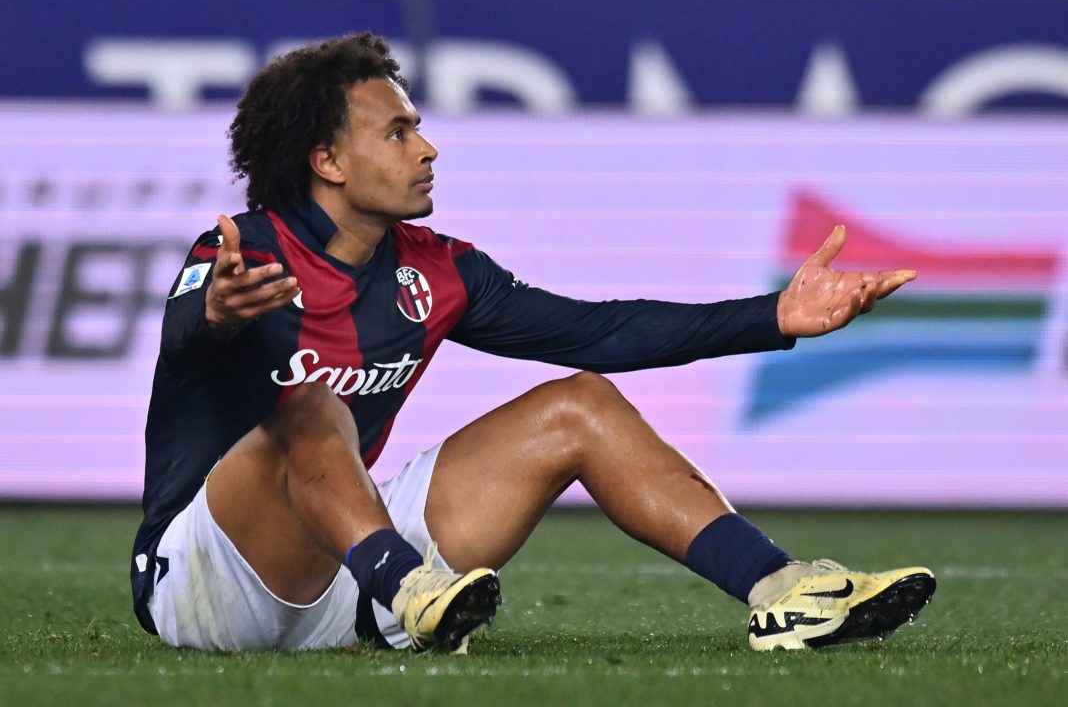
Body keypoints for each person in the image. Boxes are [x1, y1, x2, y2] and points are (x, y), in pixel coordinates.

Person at [131, 32, 935, 654]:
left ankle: (782, 589)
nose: (427, 147)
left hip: (347, 568)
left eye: (420, 128)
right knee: (311, 405)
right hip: (205, 578)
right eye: (399, 131)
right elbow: (181, 341)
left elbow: (601, 331)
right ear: (329, 160)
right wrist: (218, 316)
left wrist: (773, 317)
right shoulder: (243, 254)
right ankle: (407, 590)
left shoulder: (441, 269)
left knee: (579, 402)